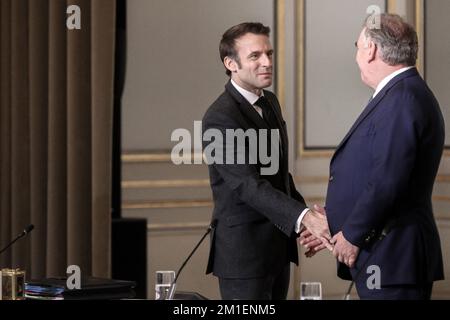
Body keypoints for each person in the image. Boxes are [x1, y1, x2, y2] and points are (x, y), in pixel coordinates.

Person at [300, 13, 445, 299]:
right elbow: (376, 174)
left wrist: (352, 234)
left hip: (394, 258)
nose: (355, 56)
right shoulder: (400, 94)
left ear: (371, 50)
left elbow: (387, 180)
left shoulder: (403, 99)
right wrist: (337, 222)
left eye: (357, 45)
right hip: (387, 257)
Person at [202, 22, 331, 300]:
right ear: (230, 63)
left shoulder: (270, 101)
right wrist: (303, 217)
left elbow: (278, 175)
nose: (267, 62)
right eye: (255, 56)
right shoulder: (219, 117)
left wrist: (305, 219)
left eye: (269, 54)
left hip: (277, 250)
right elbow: (248, 185)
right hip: (243, 258)